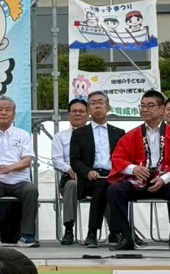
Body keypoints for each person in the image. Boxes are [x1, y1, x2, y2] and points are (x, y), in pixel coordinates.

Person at [107, 90, 170, 252]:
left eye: (150, 106)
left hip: (165, 181)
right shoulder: (132, 134)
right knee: (115, 190)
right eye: (142, 106)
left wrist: (164, 179)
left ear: (162, 109)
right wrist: (134, 169)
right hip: (139, 180)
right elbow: (118, 158)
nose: (145, 109)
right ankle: (126, 236)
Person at [0, 96, 38, 248]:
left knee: (31, 190)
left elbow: (27, 160)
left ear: (14, 114)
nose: (4, 113)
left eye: (8, 110)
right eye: (0, 109)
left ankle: (27, 236)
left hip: (20, 181)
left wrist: (10, 168)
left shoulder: (23, 134)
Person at [69, 90, 125, 247]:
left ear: (108, 108)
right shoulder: (79, 133)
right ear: (88, 109)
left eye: (101, 102)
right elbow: (75, 160)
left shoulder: (119, 133)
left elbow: (124, 158)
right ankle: (116, 232)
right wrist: (87, 171)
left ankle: (95, 233)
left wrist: (116, 172)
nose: (97, 106)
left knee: (111, 187)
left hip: (113, 176)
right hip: (90, 178)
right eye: (93, 103)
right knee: (102, 185)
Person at [52, 99, 88, 244]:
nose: (77, 114)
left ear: (88, 114)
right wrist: (70, 169)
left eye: (81, 111)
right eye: (74, 111)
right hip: (70, 178)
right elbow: (56, 159)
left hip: (92, 178)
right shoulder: (60, 137)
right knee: (72, 185)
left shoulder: (94, 134)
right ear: (68, 115)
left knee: (109, 187)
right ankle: (68, 229)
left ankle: (116, 230)